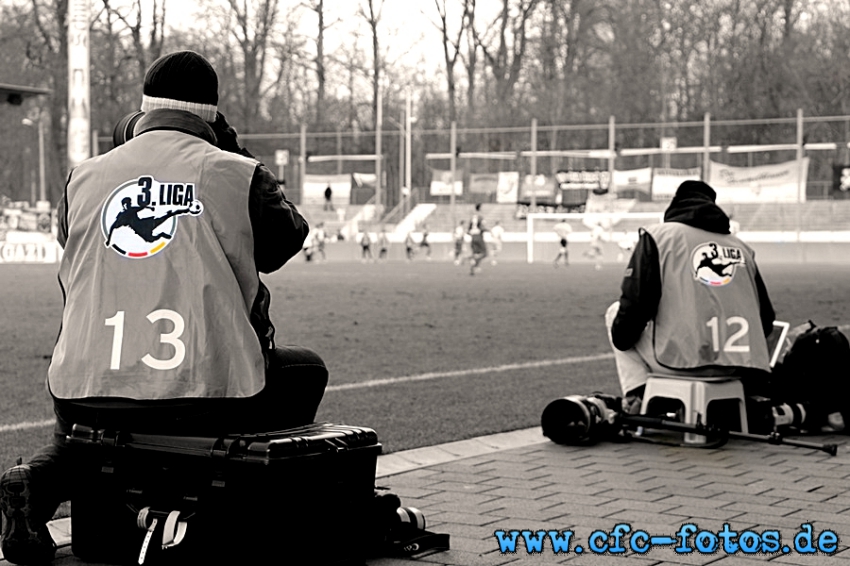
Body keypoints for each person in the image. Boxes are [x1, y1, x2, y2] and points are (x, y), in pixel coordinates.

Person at [0, 51, 328, 565]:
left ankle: (37, 487)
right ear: (213, 117)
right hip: (209, 393)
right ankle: (229, 505)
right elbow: (287, 240)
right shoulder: (234, 172)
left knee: (86, 434)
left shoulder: (81, 178)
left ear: (142, 111)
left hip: (87, 384)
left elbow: (73, 242)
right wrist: (234, 149)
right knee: (306, 371)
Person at [605, 180, 775, 415]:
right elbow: (766, 321)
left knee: (615, 312)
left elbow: (634, 306)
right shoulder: (743, 249)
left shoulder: (660, 237)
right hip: (738, 369)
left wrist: (624, 340)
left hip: (681, 364)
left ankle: (640, 397)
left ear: (676, 205)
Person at [468, 204, 488, 275]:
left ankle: (474, 267)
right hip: (479, 236)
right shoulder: (480, 217)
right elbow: (482, 227)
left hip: (473, 237)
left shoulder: (472, 217)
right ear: (480, 208)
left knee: (476, 253)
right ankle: (475, 264)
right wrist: (488, 230)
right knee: (485, 253)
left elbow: (468, 230)